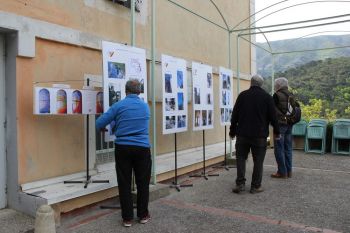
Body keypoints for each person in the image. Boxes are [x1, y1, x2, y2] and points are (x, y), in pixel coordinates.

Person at [96, 79, 151, 227]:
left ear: (126, 91)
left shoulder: (118, 106)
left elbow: (99, 123)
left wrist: (102, 129)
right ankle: (143, 215)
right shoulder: (146, 107)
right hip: (142, 148)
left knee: (124, 183)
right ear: (139, 92)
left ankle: (127, 218)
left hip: (123, 148)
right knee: (143, 182)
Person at [230, 74, 280, 194]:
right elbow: (274, 117)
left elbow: (234, 115)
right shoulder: (267, 97)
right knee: (258, 161)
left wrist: (232, 131)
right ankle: (255, 186)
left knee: (241, 159)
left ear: (251, 83)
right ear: (261, 84)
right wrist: (277, 132)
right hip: (260, 135)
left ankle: (240, 185)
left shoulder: (242, 95)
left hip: (242, 134)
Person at [271, 77, 294, 178]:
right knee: (288, 148)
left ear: (279, 85)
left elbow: (271, 110)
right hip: (289, 124)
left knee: (279, 149)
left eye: (276, 84)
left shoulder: (276, 95)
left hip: (280, 125)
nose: (275, 86)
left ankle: (282, 172)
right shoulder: (291, 95)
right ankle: (289, 171)